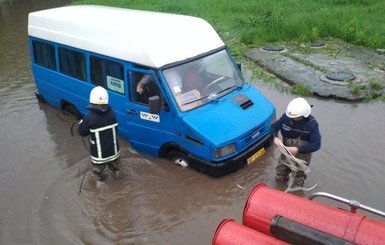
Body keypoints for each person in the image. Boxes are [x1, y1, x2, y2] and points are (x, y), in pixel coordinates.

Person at [270, 97, 321, 187]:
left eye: (296, 117)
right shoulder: (286, 117)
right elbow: (274, 127)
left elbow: (316, 144)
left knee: (299, 177)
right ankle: (279, 188)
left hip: (302, 154)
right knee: (280, 171)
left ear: (304, 114)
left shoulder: (312, 124)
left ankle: (296, 193)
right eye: (292, 117)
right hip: (285, 152)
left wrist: (297, 149)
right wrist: (275, 138)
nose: (293, 119)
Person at [78, 86, 121, 181]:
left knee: (97, 176)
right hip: (114, 152)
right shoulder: (112, 113)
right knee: (117, 172)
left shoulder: (89, 118)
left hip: (98, 156)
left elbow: (82, 132)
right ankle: (118, 181)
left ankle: (100, 189)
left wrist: (81, 124)